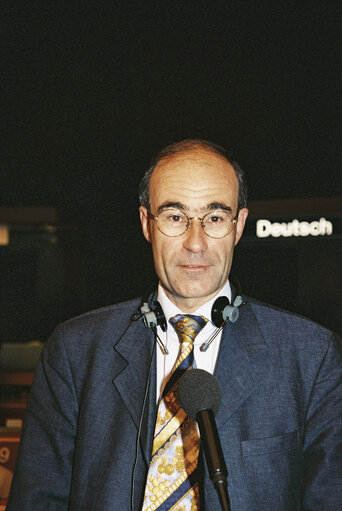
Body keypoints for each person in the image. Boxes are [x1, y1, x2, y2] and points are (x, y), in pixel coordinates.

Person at [7, 139, 342, 510]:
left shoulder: (312, 356)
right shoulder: (75, 350)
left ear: (239, 225)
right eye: (174, 217)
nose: (195, 242)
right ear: (146, 224)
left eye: (214, 218)